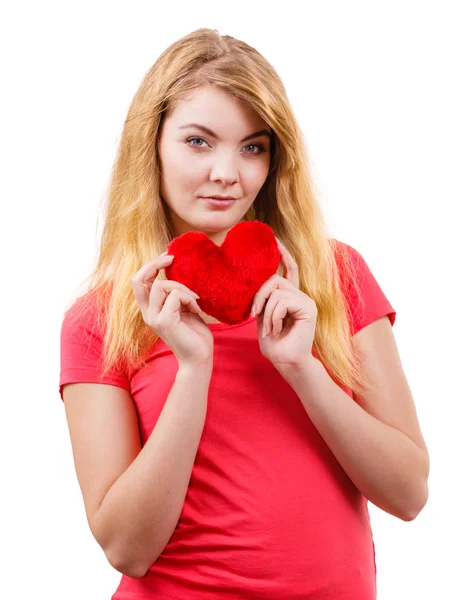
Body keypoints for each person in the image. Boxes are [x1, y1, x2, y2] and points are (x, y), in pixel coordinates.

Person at [59, 28, 430, 600]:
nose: (228, 173)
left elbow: (408, 494)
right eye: (199, 142)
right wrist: (192, 369)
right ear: (151, 145)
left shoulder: (336, 277)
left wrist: (303, 368)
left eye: (253, 146)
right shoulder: (99, 319)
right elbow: (127, 548)